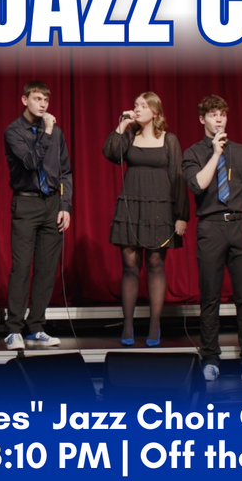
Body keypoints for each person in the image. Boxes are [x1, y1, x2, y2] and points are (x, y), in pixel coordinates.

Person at [182, 95, 242, 381]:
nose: (219, 119)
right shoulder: (193, 152)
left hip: (240, 227)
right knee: (210, 297)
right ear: (202, 119)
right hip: (211, 227)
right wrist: (215, 154)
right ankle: (210, 358)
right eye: (213, 115)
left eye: (223, 114)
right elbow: (197, 185)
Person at [103, 92, 188, 347]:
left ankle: (154, 323)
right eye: (136, 105)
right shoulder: (129, 136)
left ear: (155, 112)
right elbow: (110, 152)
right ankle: (128, 323)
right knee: (130, 265)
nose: (137, 109)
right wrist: (122, 125)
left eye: (143, 106)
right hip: (132, 206)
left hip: (160, 209)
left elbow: (178, 177)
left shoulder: (169, 139)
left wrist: (181, 215)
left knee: (155, 264)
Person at [3, 80, 73, 350]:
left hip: (52, 204)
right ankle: (13, 329)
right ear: (24, 100)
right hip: (26, 203)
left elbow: (66, 171)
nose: (43, 104)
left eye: (46, 99)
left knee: (46, 270)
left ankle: (36, 326)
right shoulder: (15, 131)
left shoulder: (57, 133)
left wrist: (65, 205)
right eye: (37, 98)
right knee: (21, 268)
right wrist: (45, 132)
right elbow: (31, 162)